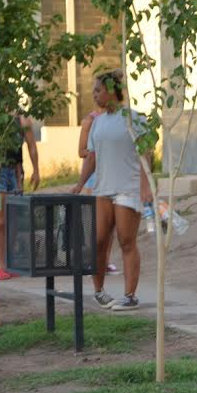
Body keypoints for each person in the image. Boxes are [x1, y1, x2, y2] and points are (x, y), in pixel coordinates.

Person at [71, 70, 151, 311]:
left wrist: (145, 187)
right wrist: (80, 183)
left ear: (111, 91)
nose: (94, 95)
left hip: (127, 189)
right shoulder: (97, 123)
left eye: (98, 90)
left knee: (127, 240)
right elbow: (92, 157)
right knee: (98, 241)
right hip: (102, 189)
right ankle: (99, 291)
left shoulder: (134, 118)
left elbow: (146, 152)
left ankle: (130, 295)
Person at [0, 111, 39, 281]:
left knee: (13, 221)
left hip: (16, 174)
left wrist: (36, 170)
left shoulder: (22, 120)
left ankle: (6, 264)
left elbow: (32, 145)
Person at [77, 108, 119, 276]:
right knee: (91, 222)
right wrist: (101, 151)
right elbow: (81, 152)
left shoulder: (118, 119)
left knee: (110, 222)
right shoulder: (90, 120)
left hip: (111, 174)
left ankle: (105, 261)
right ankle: (89, 261)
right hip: (93, 178)